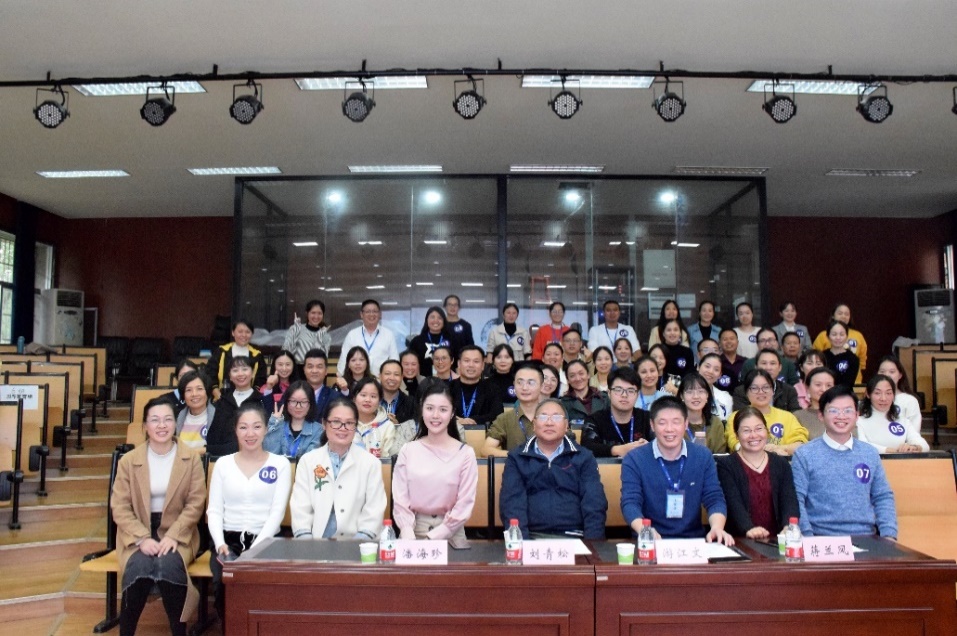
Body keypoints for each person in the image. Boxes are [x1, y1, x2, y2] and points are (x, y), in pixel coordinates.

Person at [111, 397, 205, 636]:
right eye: (155, 420)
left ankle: (178, 631)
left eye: (167, 419)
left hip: (178, 531)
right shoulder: (128, 461)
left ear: (176, 423)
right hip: (137, 531)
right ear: (145, 426)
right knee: (139, 565)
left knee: (169, 564)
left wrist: (174, 535)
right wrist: (141, 538)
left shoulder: (191, 458)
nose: (162, 425)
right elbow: (120, 506)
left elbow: (195, 503)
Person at [207, 402, 291, 631]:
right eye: (243, 427)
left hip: (266, 541)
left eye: (256, 426)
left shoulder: (280, 464)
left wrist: (256, 548)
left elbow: (277, 512)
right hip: (228, 541)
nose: (250, 433)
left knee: (263, 586)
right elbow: (214, 510)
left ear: (266, 429)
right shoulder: (223, 464)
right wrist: (220, 543)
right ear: (235, 430)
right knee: (224, 582)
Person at [620, 396, 733, 544]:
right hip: (649, 541)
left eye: (676, 422)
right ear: (652, 425)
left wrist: (717, 528)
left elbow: (714, 498)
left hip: (693, 542)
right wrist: (645, 530)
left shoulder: (702, 456)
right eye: (662, 423)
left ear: (686, 424)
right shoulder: (634, 459)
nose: (669, 429)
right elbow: (630, 502)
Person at [792, 385, 897, 539]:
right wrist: (808, 537)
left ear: (857, 415)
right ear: (821, 415)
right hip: (821, 538)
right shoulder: (805, 454)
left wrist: (889, 535)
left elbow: (882, 497)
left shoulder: (869, 453)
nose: (841, 416)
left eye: (848, 411)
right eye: (833, 411)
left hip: (866, 537)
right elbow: (796, 500)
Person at [500, 399, 607, 539]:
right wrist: (522, 544)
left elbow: (594, 503)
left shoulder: (584, 457)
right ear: (534, 424)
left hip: (574, 536)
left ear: (566, 425)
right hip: (531, 537)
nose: (549, 423)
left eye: (556, 417)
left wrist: (593, 545)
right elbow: (512, 505)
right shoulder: (517, 458)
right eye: (543, 417)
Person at [393, 382, 478, 549]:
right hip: (412, 533)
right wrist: (407, 532)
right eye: (430, 408)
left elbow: (464, 503)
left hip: (452, 536)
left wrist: (435, 537)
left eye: (443, 410)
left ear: (452, 413)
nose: (435, 415)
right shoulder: (408, 450)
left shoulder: (466, 453)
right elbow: (400, 498)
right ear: (422, 410)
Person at [290, 396, 387, 540]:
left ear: (356, 426)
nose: (343, 428)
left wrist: (356, 546)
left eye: (349, 423)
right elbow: (300, 509)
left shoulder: (370, 463)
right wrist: (309, 546)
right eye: (336, 422)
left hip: (358, 544)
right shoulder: (308, 461)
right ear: (324, 424)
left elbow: (374, 510)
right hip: (316, 543)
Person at [716, 407, 800, 539]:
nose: (754, 435)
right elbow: (733, 503)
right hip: (741, 538)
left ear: (767, 431)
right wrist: (748, 528)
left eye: (759, 429)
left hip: (778, 539)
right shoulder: (726, 465)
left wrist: (788, 527)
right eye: (746, 431)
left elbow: (789, 500)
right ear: (737, 435)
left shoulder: (781, 464)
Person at [727, 369, 808, 456]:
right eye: (754, 388)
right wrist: (764, 451)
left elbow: (800, 445)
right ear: (746, 392)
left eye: (766, 387)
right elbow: (735, 444)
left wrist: (779, 448)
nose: (761, 392)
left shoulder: (787, 417)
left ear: (773, 390)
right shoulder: (736, 417)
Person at [581, 366, 653, 458]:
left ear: (637, 395)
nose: (624, 395)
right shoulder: (594, 419)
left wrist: (649, 447)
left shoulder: (648, 418)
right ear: (609, 393)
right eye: (618, 390)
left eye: (630, 391)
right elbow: (586, 447)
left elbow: (662, 443)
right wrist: (617, 450)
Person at [206, 356, 263, 458]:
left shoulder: (261, 401)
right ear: (230, 376)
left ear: (252, 373)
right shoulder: (222, 402)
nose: (240, 374)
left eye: (245, 369)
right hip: (224, 459)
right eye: (235, 370)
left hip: (254, 458)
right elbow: (213, 438)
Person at [856, 374, 929, 453]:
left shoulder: (902, 421)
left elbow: (924, 445)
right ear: (868, 394)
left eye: (888, 393)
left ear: (894, 395)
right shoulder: (858, 421)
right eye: (877, 393)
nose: (883, 398)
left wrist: (914, 447)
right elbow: (861, 445)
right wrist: (890, 451)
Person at [483, 364, 544, 457]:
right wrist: (517, 456)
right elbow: (486, 450)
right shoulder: (505, 419)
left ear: (542, 386)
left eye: (530, 383)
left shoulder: (552, 416)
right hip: (515, 465)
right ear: (514, 385)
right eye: (520, 382)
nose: (524, 388)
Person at [337, 299, 399, 378]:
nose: (371, 314)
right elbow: (344, 359)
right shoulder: (352, 335)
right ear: (361, 314)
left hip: (380, 381)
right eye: (368, 311)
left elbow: (395, 361)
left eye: (374, 311)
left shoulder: (389, 335)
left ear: (380, 314)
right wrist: (342, 378)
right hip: (357, 381)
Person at [207, 320, 267, 399]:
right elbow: (210, 374)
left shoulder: (257, 355)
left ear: (252, 334)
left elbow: (261, 380)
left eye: (247, 332)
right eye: (240, 332)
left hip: (248, 400)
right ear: (233, 332)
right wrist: (218, 396)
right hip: (221, 397)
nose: (244, 335)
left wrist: (251, 397)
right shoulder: (222, 351)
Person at [264, 381, 322, 460]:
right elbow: (270, 456)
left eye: (304, 402)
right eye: (293, 401)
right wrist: (274, 424)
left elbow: (311, 460)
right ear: (287, 402)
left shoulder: (319, 430)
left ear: (310, 404)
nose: (298, 406)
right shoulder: (277, 425)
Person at [813, 303, 868, 384]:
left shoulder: (858, 336)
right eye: (840, 313)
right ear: (833, 315)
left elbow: (862, 359)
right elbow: (815, 356)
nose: (843, 316)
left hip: (853, 382)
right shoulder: (822, 336)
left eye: (846, 314)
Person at [352, 376, 405, 458]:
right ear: (354, 398)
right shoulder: (345, 424)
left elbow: (388, 460)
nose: (367, 400)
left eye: (373, 396)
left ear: (380, 401)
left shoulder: (387, 426)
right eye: (363, 395)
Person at [451, 345, 503, 427]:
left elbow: (498, 415)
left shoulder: (493, 389)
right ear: (459, 364)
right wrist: (456, 420)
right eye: (467, 361)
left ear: (482, 366)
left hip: (485, 433)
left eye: (476, 361)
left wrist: (474, 420)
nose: (471, 365)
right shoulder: (447, 389)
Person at [732, 350, 800, 412]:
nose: (768, 368)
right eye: (764, 363)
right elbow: (740, 416)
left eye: (772, 363)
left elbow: (795, 415)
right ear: (756, 367)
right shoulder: (741, 391)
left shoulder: (789, 391)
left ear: (780, 368)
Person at [677, 371, 728, 454]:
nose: (696, 396)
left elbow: (720, 456)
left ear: (707, 395)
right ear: (682, 396)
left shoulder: (715, 423)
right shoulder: (675, 423)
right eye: (690, 392)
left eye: (701, 391)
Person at [876, 355, 922, 434]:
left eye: (892, 372)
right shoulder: (871, 399)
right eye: (882, 372)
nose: (886, 375)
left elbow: (914, 432)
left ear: (900, 375)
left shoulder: (910, 401)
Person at [174, 370, 214, 451]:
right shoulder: (176, 416)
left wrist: (201, 451)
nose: (194, 394)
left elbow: (229, 447)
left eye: (199, 389)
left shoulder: (219, 416)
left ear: (207, 391)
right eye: (189, 390)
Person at [282, 299, 332, 365]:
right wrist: (296, 331)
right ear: (307, 313)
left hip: (314, 369)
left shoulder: (325, 335)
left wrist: (319, 339)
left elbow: (323, 358)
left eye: (319, 313)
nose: (316, 316)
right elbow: (285, 351)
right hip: (296, 368)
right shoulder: (296, 329)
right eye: (313, 313)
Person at [562, 359, 610, 425]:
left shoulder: (603, 398)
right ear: (568, 380)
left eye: (581, 373)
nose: (578, 379)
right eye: (572, 376)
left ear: (588, 375)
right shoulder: (563, 404)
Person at [793, 367, 836, 440]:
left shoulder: (843, 414)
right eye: (818, 385)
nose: (824, 389)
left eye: (829, 385)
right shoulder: (798, 416)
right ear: (807, 388)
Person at [409, 306, 453, 377]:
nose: (436, 320)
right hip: (423, 380)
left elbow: (457, 364)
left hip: (448, 380)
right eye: (432, 317)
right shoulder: (416, 341)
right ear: (427, 320)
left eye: (439, 318)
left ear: (444, 321)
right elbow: (411, 363)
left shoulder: (452, 340)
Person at [822, 320, 860, 390]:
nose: (838, 338)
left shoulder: (853, 358)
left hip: (844, 394)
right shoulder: (822, 356)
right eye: (834, 334)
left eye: (841, 334)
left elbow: (848, 383)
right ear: (828, 336)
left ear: (847, 336)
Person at [697, 352, 733, 421]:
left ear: (720, 375)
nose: (711, 371)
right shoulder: (685, 391)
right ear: (698, 367)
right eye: (707, 366)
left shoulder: (726, 398)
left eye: (716, 369)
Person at [302, 348, 337, 417]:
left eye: (319, 367)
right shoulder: (292, 395)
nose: (314, 371)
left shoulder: (335, 397)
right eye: (310, 367)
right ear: (304, 370)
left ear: (326, 371)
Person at [379, 359, 416, 424]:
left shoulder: (411, 403)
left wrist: (398, 426)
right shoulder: (370, 400)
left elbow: (416, 428)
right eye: (387, 373)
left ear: (402, 377)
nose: (392, 378)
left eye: (396, 374)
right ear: (380, 376)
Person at [486, 343, 517, 407]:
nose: (503, 361)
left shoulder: (518, 382)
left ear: (512, 360)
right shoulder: (485, 384)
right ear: (493, 361)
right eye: (499, 357)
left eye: (507, 357)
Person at [717, 328, 745, 393]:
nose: (729, 341)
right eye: (725, 339)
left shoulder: (745, 362)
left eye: (732, 339)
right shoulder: (716, 363)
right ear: (719, 343)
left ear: (737, 342)